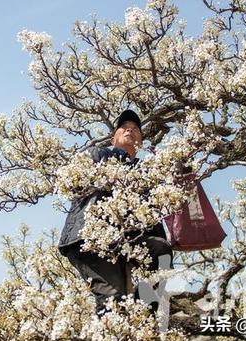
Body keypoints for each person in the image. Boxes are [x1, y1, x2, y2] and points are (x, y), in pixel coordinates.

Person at [58, 109, 173, 314]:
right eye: (124, 127)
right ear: (114, 137)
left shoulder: (146, 172)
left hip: (127, 241)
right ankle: (113, 332)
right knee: (113, 299)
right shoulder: (100, 154)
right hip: (91, 237)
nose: (130, 129)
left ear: (141, 142)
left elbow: (158, 206)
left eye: (136, 129)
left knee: (161, 249)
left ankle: (144, 315)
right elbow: (80, 177)